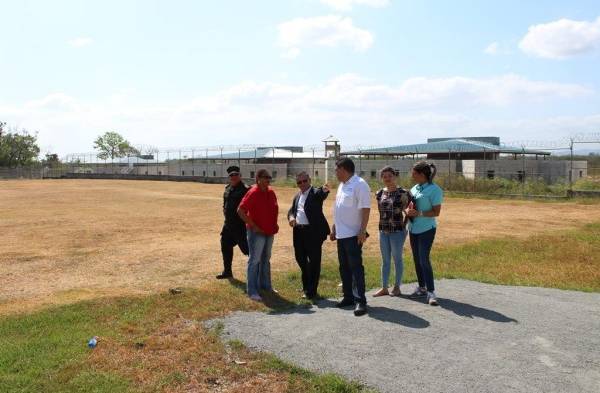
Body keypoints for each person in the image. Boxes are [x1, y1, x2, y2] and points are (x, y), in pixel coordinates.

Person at [330, 158, 371, 316]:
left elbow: (366, 209)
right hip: (341, 234)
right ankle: (348, 297)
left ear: (344, 169)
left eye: (336, 169)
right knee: (344, 267)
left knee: (356, 268)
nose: (335, 172)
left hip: (354, 235)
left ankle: (361, 301)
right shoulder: (342, 185)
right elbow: (338, 209)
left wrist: (362, 231)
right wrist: (334, 228)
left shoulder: (360, 184)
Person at [404, 161, 444, 306]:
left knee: (423, 259)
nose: (412, 175)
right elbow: (409, 205)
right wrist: (407, 211)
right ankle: (422, 287)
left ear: (421, 174)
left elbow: (436, 212)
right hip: (413, 229)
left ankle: (431, 292)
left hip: (427, 229)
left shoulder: (435, 190)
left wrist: (419, 213)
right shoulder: (415, 188)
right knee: (416, 259)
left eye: (414, 173)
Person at [237, 169, 279, 301]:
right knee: (254, 261)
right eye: (265, 177)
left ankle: (266, 286)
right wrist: (254, 226)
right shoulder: (253, 192)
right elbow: (240, 211)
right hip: (257, 233)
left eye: (269, 177)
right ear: (258, 179)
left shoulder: (271, 192)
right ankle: (252, 290)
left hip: (269, 231)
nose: (268, 180)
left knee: (266, 259)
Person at [287, 172, 330, 299]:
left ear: (309, 180)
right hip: (299, 232)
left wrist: (325, 190)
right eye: (299, 182)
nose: (302, 184)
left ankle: (311, 291)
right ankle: (306, 286)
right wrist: (291, 217)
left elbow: (321, 193)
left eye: (304, 181)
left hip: (313, 232)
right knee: (300, 259)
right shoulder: (297, 196)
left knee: (314, 262)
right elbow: (291, 210)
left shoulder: (315, 193)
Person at [373, 166, 412, 297]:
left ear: (395, 176)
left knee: (397, 259)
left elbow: (410, 211)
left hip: (397, 232)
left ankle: (397, 287)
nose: (387, 178)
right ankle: (384, 287)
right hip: (383, 231)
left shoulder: (403, 193)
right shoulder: (379, 193)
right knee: (385, 261)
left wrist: (404, 226)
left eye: (390, 176)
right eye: (384, 176)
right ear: (381, 178)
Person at [217, 166, 249, 279]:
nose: (234, 177)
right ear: (229, 177)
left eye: (236, 174)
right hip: (228, 225)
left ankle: (259, 275)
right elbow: (225, 204)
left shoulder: (246, 189)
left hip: (241, 226)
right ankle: (227, 271)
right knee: (225, 245)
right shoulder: (227, 188)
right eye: (231, 175)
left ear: (240, 175)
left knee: (248, 250)